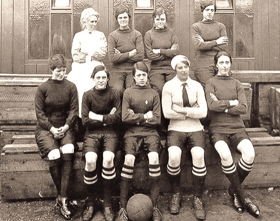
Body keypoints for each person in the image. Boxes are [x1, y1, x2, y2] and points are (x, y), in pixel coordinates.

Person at [205, 51, 260, 217]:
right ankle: (241, 196)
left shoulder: (236, 83)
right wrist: (231, 103)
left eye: (227, 62)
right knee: (226, 155)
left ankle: (234, 190)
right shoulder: (210, 82)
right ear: (216, 65)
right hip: (218, 129)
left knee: (249, 154)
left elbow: (243, 108)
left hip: (237, 127)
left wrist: (224, 106)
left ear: (230, 64)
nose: (224, 66)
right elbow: (211, 106)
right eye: (221, 63)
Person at [162, 55, 208, 220]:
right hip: (175, 129)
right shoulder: (168, 86)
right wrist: (192, 111)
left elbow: (203, 113)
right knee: (174, 156)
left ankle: (197, 198)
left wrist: (181, 110)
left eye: (186, 67)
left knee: (199, 155)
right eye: (180, 67)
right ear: (175, 69)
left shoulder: (196, 86)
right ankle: (176, 193)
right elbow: (167, 113)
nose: (183, 70)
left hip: (196, 128)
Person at [35, 54, 78, 220]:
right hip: (46, 129)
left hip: (66, 127)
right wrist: (52, 129)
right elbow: (40, 114)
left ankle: (63, 198)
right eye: (59, 71)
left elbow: (74, 110)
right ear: (52, 70)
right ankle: (64, 197)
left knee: (68, 149)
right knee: (54, 154)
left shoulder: (71, 87)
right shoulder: (42, 88)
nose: (62, 73)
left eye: (64, 70)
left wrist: (66, 126)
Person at [117, 61, 162, 221]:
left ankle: (155, 205)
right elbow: (124, 118)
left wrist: (135, 117)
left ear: (147, 75)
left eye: (144, 75)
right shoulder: (128, 93)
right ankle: (122, 207)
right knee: (128, 159)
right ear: (134, 77)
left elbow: (157, 119)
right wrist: (145, 116)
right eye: (139, 75)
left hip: (150, 132)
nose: (142, 78)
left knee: (154, 158)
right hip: (131, 133)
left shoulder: (154, 93)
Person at [81, 65, 121, 221]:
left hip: (111, 133)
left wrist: (96, 117)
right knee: (90, 160)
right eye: (98, 77)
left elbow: (117, 118)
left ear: (108, 78)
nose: (101, 80)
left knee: (108, 159)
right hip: (91, 134)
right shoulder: (87, 95)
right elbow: (85, 121)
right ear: (93, 79)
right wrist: (106, 119)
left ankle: (107, 202)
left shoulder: (114, 93)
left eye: (104, 77)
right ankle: (90, 202)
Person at [67, 8, 107, 117]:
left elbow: (103, 53)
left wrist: (87, 51)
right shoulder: (78, 36)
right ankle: (80, 117)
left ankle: (95, 116)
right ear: (85, 22)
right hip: (81, 67)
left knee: (96, 86)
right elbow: (75, 55)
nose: (94, 24)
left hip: (96, 66)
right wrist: (92, 56)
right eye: (91, 21)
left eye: (95, 21)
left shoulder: (100, 35)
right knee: (79, 87)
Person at [191, 0, 228, 89]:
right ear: (202, 11)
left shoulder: (220, 26)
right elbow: (198, 46)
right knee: (209, 87)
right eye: (207, 10)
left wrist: (205, 43)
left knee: (223, 87)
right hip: (203, 65)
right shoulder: (196, 27)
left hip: (219, 62)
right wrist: (216, 42)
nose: (210, 12)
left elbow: (224, 46)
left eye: (212, 10)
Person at [108, 5, 144, 93]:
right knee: (117, 90)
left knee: (131, 91)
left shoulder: (136, 34)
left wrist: (120, 56)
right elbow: (112, 58)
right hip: (116, 70)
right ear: (117, 19)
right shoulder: (112, 36)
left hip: (132, 69)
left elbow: (140, 56)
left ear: (129, 18)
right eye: (120, 17)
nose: (123, 19)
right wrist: (130, 54)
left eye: (125, 17)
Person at [144, 7, 179, 96]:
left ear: (166, 20)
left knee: (172, 89)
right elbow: (150, 55)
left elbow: (176, 52)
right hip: (156, 69)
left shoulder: (171, 33)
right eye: (157, 19)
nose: (160, 21)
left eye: (162, 19)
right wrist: (168, 52)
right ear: (154, 20)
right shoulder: (149, 34)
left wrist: (160, 51)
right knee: (159, 89)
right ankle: (159, 110)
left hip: (170, 68)